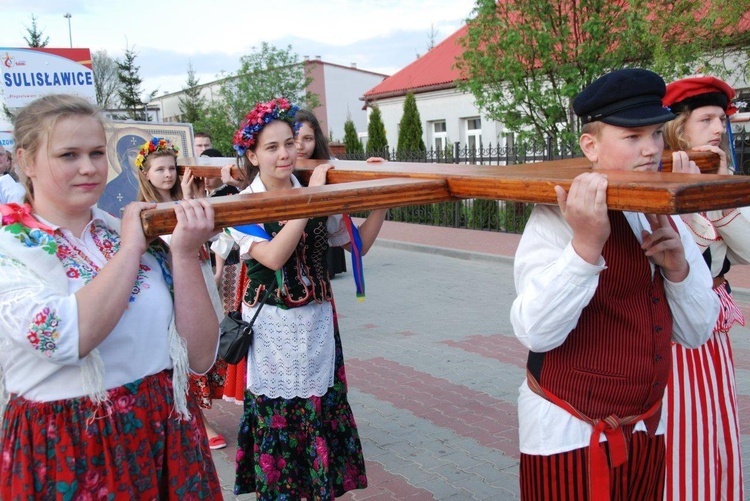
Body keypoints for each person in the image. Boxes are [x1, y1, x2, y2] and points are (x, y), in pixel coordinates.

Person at [510, 69, 719, 500]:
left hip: (645, 427)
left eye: (657, 134)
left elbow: (697, 331)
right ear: (591, 146)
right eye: (632, 136)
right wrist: (585, 245)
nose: (650, 149)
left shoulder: (662, 207)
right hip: (566, 432)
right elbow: (535, 331)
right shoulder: (555, 216)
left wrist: (677, 268)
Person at [0, 94, 221, 498]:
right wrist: (130, 250)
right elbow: (65, 337)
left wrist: (185, 254)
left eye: (97, 153)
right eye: (68, 155)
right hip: (71, 443)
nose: (89, 168)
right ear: (26, 161)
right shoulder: (9, 248)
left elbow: (200, 356)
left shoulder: (121, 231)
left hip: (163, 429)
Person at [226, 97, 386, 499]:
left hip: (316, 324)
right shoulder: (241, 205)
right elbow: (275, 255)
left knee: (320, 412)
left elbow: (358, 245)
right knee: (280, 419)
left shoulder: (314, 189)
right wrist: (311, 200)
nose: (285, 154)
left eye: (290, 144)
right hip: (272, 329)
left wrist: (381, 196)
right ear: (252, 154)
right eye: (272, 147)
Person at [662, 76, 747, 501]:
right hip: (676, 325)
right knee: (685, 430)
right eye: (706, 119)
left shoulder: (725, 177)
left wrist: (722, 191)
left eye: (721, 119)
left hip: (712, 331)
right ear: (679, 129)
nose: (718, 128)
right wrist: (691, 196)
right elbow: (690, 262)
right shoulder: (658, 180)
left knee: (715, 424)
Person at [133, 137, 227, 450]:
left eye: (172, 168)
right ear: (146, 174)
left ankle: (193, 413)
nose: (168, 174)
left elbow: (213, 233)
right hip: (173, 286)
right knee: (179, 351)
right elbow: (170, 245)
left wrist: (197, 198)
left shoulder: (183, 198)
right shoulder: (145, 211)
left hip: (197, 278)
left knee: (203, 346)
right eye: (160, 169)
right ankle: (198, 419)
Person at [295, 108, 347, 278]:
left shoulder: (327, 172)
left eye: (307, 138)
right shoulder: (270, 181)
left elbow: (359, 246)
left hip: (318, 288)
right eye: (293, 139)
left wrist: (378, 177)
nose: (299, 146)